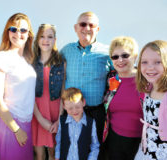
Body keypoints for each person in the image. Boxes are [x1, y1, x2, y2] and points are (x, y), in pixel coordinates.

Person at [60, 11, 113, 159]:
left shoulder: (107, 53)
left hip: (96, 113)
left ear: (98, 29)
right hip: (71, 112)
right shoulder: (66, 51)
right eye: (83, 24)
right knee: (71, 150)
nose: (87, 28)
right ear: (76, 27)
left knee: (95, 151)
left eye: (92, 25)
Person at [0, 13, 36, 160]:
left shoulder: (27, 60)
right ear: (7, 32)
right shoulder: (1, 57)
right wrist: (16, 130)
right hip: (11, 124)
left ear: (28, 34)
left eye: (23, 30)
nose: (18, 33)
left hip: (27, 123)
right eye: (13, 29)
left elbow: (29, 96)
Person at [103, 36, 143, 160]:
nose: (120, 60)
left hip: (141, 142)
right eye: (115, 57)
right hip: (114, 140)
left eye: (125, 55)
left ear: (135, 56)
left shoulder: (145, 80)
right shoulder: (111, 80)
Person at [32, 24, 65, 160]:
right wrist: (40, 118)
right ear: (37, 39)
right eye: (42, 36)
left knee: (53, 153)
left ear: (55, 40)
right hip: (36, 111)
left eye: (50, 37)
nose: (46, 40)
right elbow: (29, 94)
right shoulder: (31, 62)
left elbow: (63, 91)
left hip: (55, 112)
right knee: (39, 154)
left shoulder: (61, 62)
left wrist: (59, 119)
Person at [136, 40, 167, 160]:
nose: (150, 67)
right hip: (149, 149)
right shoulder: (149, 88)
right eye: (144, 62)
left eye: (157, 62)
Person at [55, 87, 99, 160]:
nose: (74, 111)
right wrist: (57, 156)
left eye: (77, 107)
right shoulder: (62, 121)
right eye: (70, 108)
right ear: (64, 106)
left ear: (83, 102)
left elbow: (95, 145)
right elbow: (59, 141)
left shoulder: (90, 122)